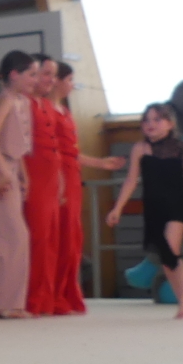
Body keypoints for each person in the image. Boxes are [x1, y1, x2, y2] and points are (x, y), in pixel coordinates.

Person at [106, 103, 183, 319]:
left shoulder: (180, 147)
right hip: (155, 208)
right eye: (146, 120)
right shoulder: (140, 148)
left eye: (157, 119)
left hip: (179, 204)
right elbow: (131, 180)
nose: (151, 124)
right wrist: (118, 208)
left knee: (171, 246)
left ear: (170, 124)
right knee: (167, 256)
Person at [49, 61, 124, 314]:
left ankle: (67, 292)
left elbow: (72, 152)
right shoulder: (47, 110)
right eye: (69, 79)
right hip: (57, 175)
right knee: (59, 235)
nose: (72, 85)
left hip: (71, 175)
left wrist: (101, 163)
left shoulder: (64, 111)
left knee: (72, 236)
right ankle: (54, 293)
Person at [0, 51, 37, 319]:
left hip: (11, 168)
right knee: (8, 237)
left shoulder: (21, 101)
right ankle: (4, 302)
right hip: (0, 170)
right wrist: (4, 173)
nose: (35, 80)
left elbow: (18, 147)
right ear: (14, 75)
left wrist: (23, 175)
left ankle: (12, 301)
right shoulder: (4, 100)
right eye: (31, 74)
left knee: (17, 237)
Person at [22, 54, 62, 317]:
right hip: (32, 173)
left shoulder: (47, 105)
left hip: (50, 176)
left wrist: (60, 180)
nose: (50, 80)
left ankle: (47, 297)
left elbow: (55, 145)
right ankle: (31, 299)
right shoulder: (23, 103)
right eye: (46, 73)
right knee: (36, 237)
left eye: (53, 75)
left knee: (51, 238)